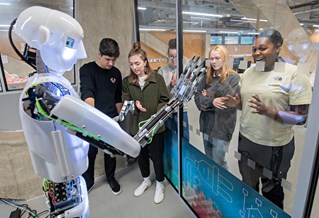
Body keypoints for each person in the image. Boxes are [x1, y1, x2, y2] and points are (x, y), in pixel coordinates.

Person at [225, 29, 312, 209]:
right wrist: (236, 103)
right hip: (247, 141)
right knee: (248, 188)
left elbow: (301, 118)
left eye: (262, 48)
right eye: (254, 49)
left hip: (275, 147)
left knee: (271, 193)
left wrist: (270, 112)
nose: (257, 53)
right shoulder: (250, 72)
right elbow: (246, 104)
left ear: (277, 48)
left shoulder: (294, 75)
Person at [122, 42, 169, 204]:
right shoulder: (127, 81)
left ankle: (160, 183)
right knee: (141, 155)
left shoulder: (158, 79)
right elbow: (126, 101)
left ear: (145, 62)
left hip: (156, 128)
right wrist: (134, 105)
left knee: (157, 156)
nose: (134, 67)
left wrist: (156, 115)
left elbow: (165, 100)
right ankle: (146, 180)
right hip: (137, 127)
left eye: (137, 63)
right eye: (131, 64)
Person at [79, 38, 123, 195]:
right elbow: (87, 92)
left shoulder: (116, 73)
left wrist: (121, 118)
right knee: (90, 152)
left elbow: (117, 98)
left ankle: (111, 178)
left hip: (111, 119)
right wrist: (93, 117)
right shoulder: (87, 70)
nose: (111, 63)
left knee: (110, 153)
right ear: (99, 53)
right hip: (92, 120)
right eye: (107, 59)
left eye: (114, 60)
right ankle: (88, 181)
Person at [194, 45, 240, 170]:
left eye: (217, 58)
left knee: (219, 162)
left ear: (224, 58)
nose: (214, 62)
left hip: (222, 129)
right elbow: (197, 98)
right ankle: (212, 187)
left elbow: (226, 102)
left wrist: (207, 97)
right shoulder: (206, 77)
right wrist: (213, 101)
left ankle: (222, 187)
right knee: (209, 160)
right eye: (211, 58)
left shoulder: (233, 78)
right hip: (206, 125)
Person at [157, 38, 189, 141]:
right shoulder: (162, 71)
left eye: (176, 56)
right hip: (167, 111)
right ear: (167, 55)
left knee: (184, 140)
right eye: (171, 56)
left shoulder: (186, 71)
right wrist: (170, 85)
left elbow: (189, 95)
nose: (173, 59)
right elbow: (160, 95)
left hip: (182, 111)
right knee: (169, 139)